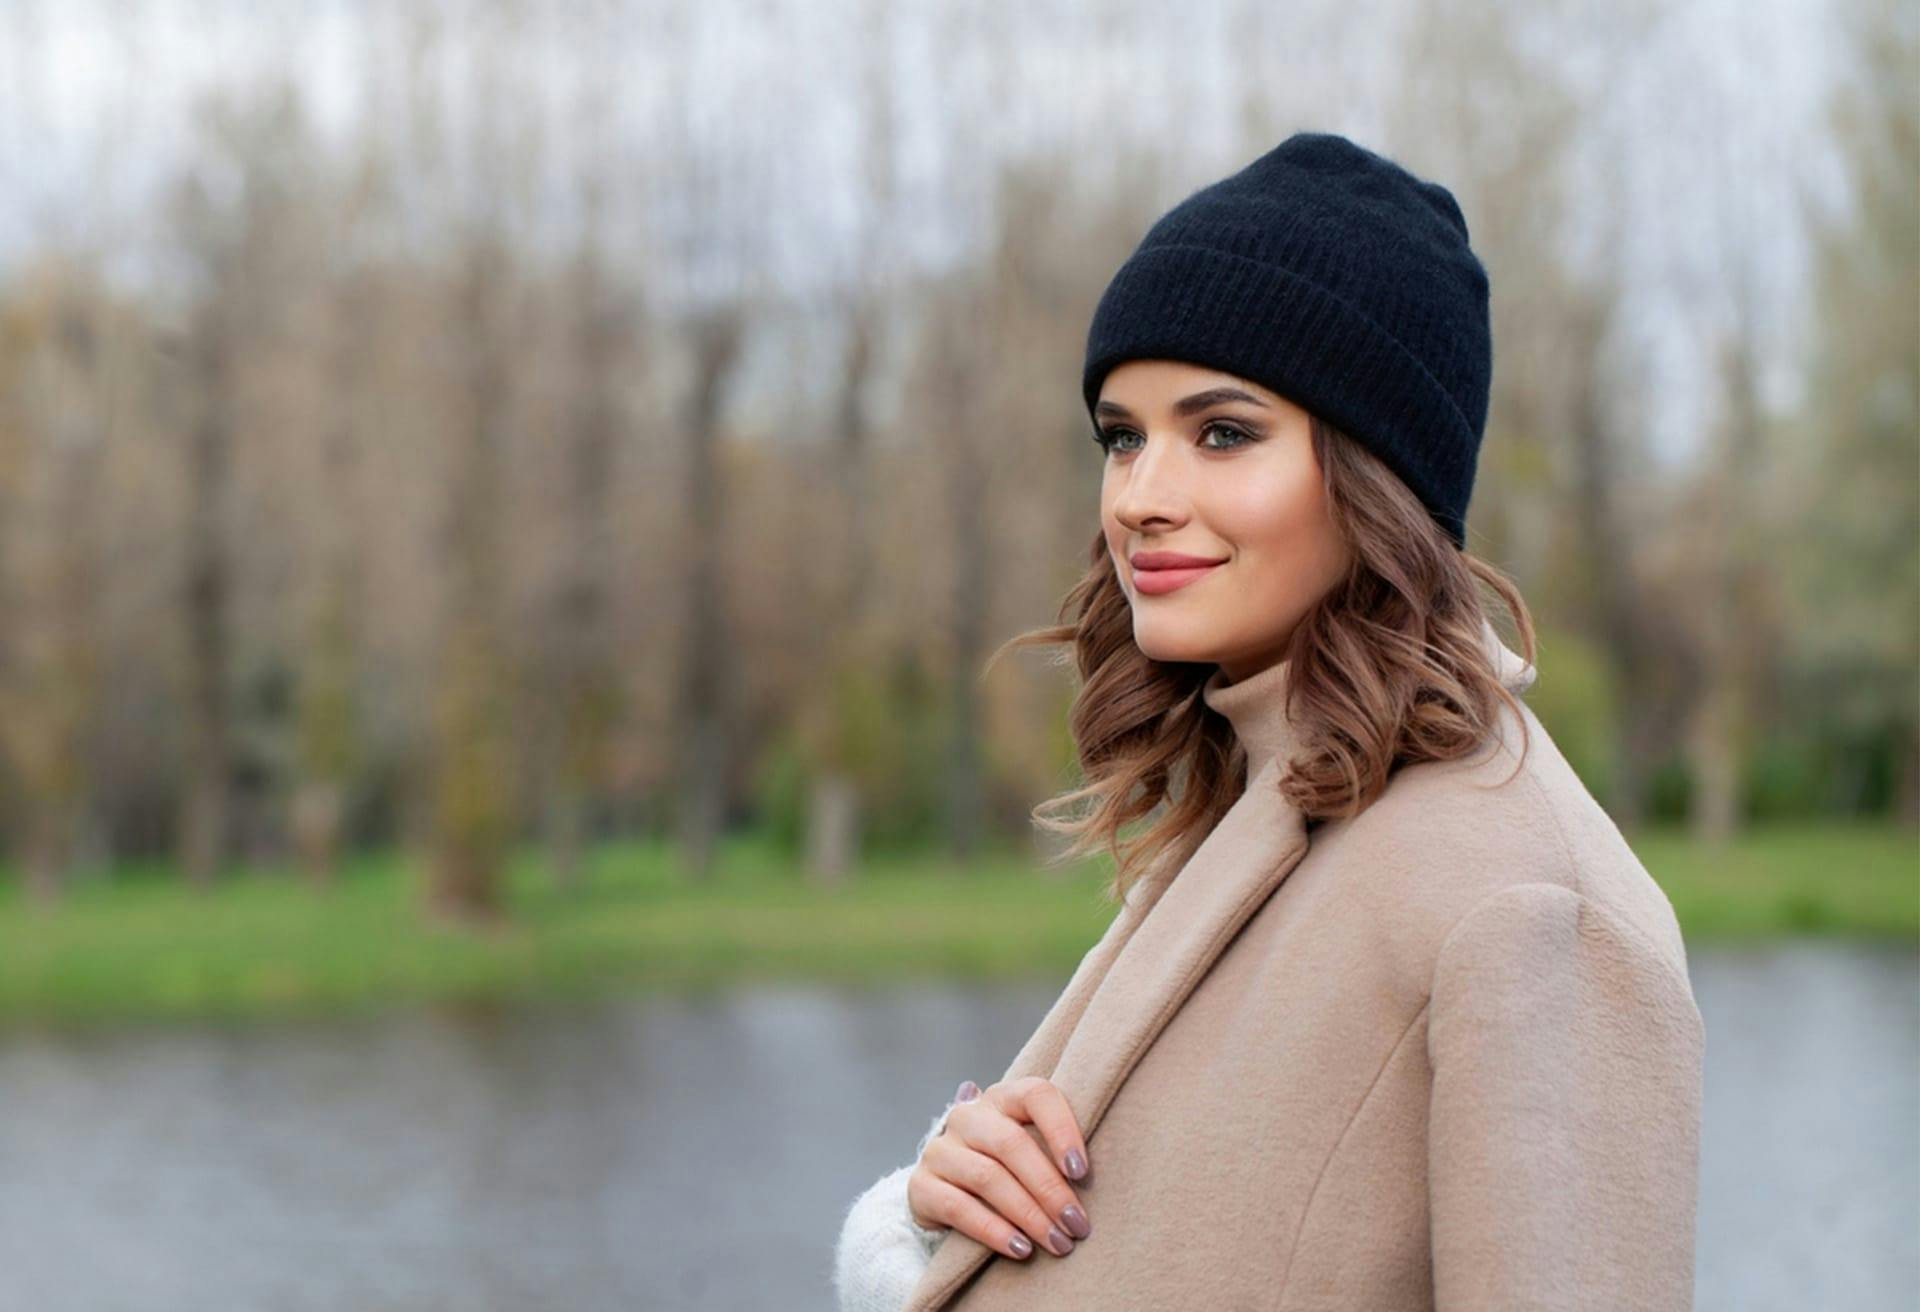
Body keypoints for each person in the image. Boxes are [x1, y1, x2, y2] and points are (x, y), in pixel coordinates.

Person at [832, 131, 1704, 1312]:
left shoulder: (1525, 904)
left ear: (1376, 472)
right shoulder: (1262, 802)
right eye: (1122, 435)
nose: (1141, 496)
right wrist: (931, 1218)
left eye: (1223, 432)